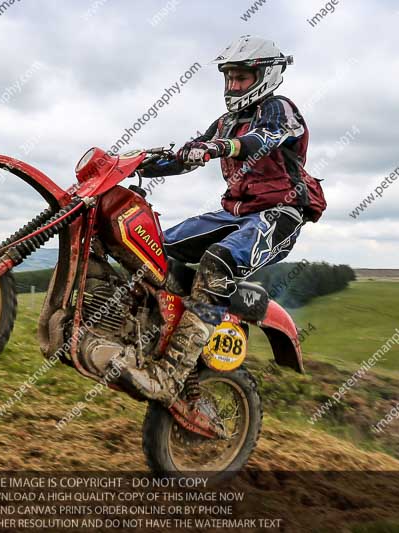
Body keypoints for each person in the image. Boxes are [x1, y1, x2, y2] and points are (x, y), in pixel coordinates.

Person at [114, 35, 326, 406]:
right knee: (153, 247)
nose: (233, 85)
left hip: (278, 214)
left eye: (241, 77)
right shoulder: (227, 122)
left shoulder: (280, 109)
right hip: (234, 212)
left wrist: (217, 147)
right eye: (229, 78)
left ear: (265, 75)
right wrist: (134, 164)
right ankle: (149, 333)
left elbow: (263, 139)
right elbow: (187, 156)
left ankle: (170, 373)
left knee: (219, 262)